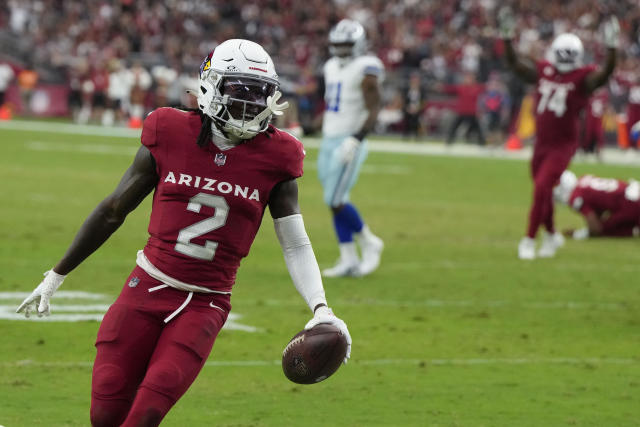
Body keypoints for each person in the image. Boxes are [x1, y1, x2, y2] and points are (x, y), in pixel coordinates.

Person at [16, 39, 351, 427]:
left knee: (146, 414)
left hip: (205, 303)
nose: (250, 104)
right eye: (239, 92)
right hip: (146, 286)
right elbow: (113, 210)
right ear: (210, 86)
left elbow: (294, 242)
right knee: (105, 413)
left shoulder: (279, 155)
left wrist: (320, 307)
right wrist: (56, 275)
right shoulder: (169, 129)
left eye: (259, 94)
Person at [498, 8, 619, 259]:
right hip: (541, 143)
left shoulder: (582, 79)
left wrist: (612, 49)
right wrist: (507, 39)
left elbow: (605, 74)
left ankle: (529, 240)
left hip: (562, 145)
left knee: (542, 187)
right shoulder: (545, 71)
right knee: (545, 191)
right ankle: (552, 235)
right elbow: (514, 64)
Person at [319, 19, 385, 278]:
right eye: (338, 45)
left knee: (334, 199)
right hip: (329, 137)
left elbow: (374, 108)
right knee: (336, 201)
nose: (341, 50)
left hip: (349, 140)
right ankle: (348, 258)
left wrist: (357, 138)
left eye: (346, 45)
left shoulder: (367, 67)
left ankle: (369, 241)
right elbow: (333, 106)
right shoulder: (330, 66)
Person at [553, 171, 640, 239]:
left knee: (604, 230)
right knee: (607, 223)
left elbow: (595, 228)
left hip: (631, 203)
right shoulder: (584, 178)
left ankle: (633, 230)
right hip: (634, 190)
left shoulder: (575, 196)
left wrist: (579, 234)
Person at [443, 72, 486, 146]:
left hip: (472, 112)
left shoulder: (477, 88)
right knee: (454, 126)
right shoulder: (461, 87)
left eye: (470, 79)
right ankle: (449, 141)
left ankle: (482, 142)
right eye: (467, 78)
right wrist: (442, 87)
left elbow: (486, 89)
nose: (468, 80)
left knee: (478, 128)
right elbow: (450, 89)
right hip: (462, 111)